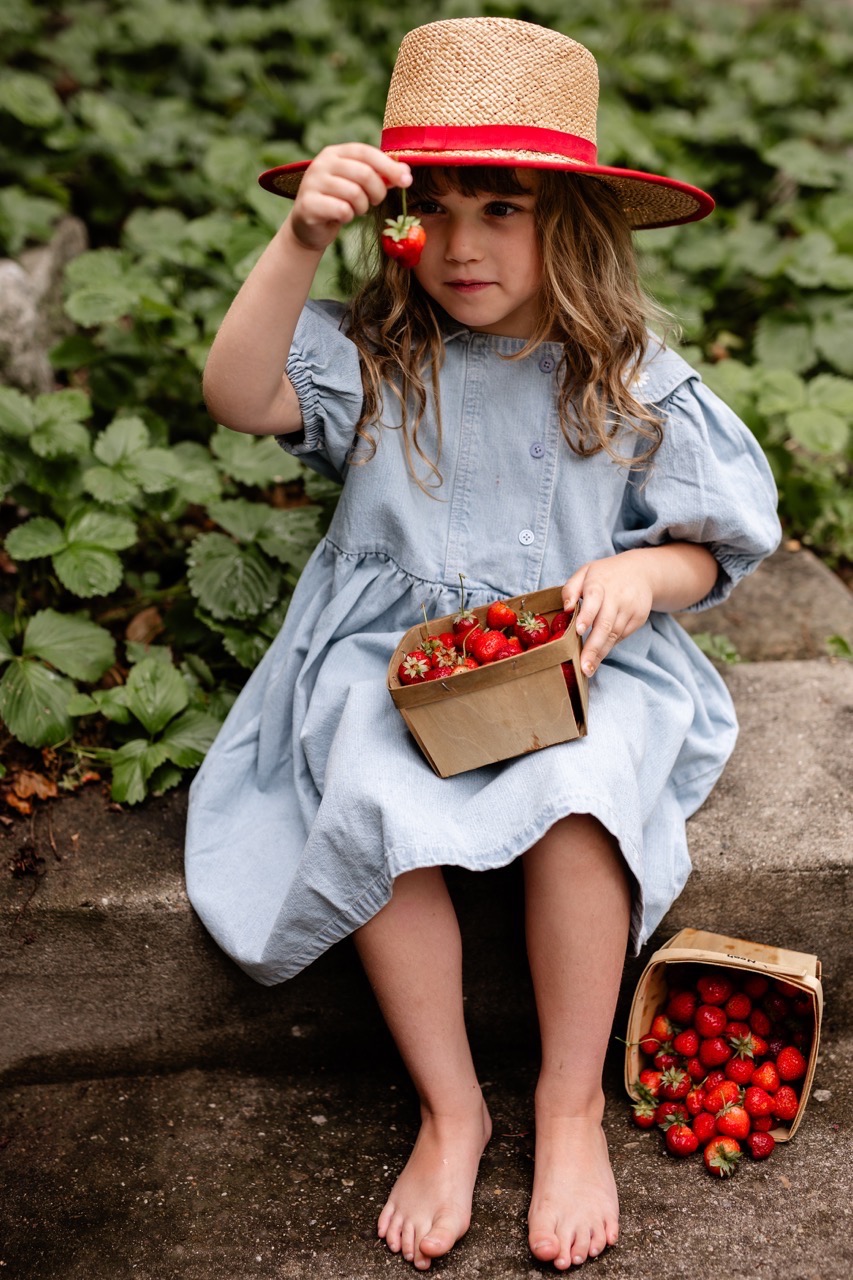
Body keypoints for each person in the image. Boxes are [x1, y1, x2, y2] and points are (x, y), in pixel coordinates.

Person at [185, 16, 781, 1273]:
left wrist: (635, 571)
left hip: (574, 660)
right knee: (370, 798)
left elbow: (713, 546)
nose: (461, 243)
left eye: (501, 207)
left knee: (578, 801)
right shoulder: (380, 356)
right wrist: (300, 242)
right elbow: (238, 394)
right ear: (392, 221)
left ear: (570, 222)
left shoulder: (618, 375)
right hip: (393, 658)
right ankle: (451, 1104)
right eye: (434, 208)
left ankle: (567, 1103)